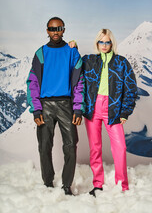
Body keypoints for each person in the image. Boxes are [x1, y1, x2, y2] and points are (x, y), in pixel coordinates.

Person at [26, 17, 85, 195]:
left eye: (59, 28)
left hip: (66, 104)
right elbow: (32, 83)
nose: (55, 32)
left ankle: (67, 186)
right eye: (52, 29)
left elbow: (79, 82)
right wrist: (36, 109)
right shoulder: (41, 53)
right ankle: (48, 182)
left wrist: (77, 108)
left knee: (71, 146)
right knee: (44, 146)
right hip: (45, 106)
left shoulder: (72, 52)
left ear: (64, 30)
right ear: (47, 31)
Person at [82, 29, 137, 196]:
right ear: (97, 43)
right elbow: (73, 67)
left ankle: (122, 185)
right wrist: (73, 46)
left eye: (107, 42)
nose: (104, 45)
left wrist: (125, 111)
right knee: (95, 148)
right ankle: (97, 184)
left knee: (120, 147)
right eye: (101, 42)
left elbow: (131, 88)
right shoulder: (89, 61)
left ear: (112, 43)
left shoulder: (121, 62)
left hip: (112, 108)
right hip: (93, 108)